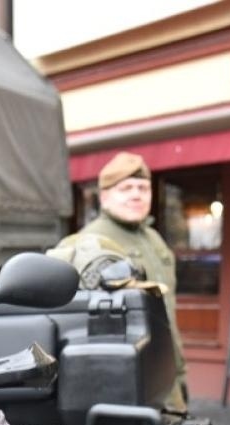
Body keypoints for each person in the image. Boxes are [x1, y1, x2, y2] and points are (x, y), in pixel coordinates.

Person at [71, 152, 186, 411]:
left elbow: (168, 310)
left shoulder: (154, 239)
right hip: (124, 380)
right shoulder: (90, 243)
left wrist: (179, 370)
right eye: (126, 188)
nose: (137, 194)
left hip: (166, 373)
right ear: (105, 197)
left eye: (143, 188)